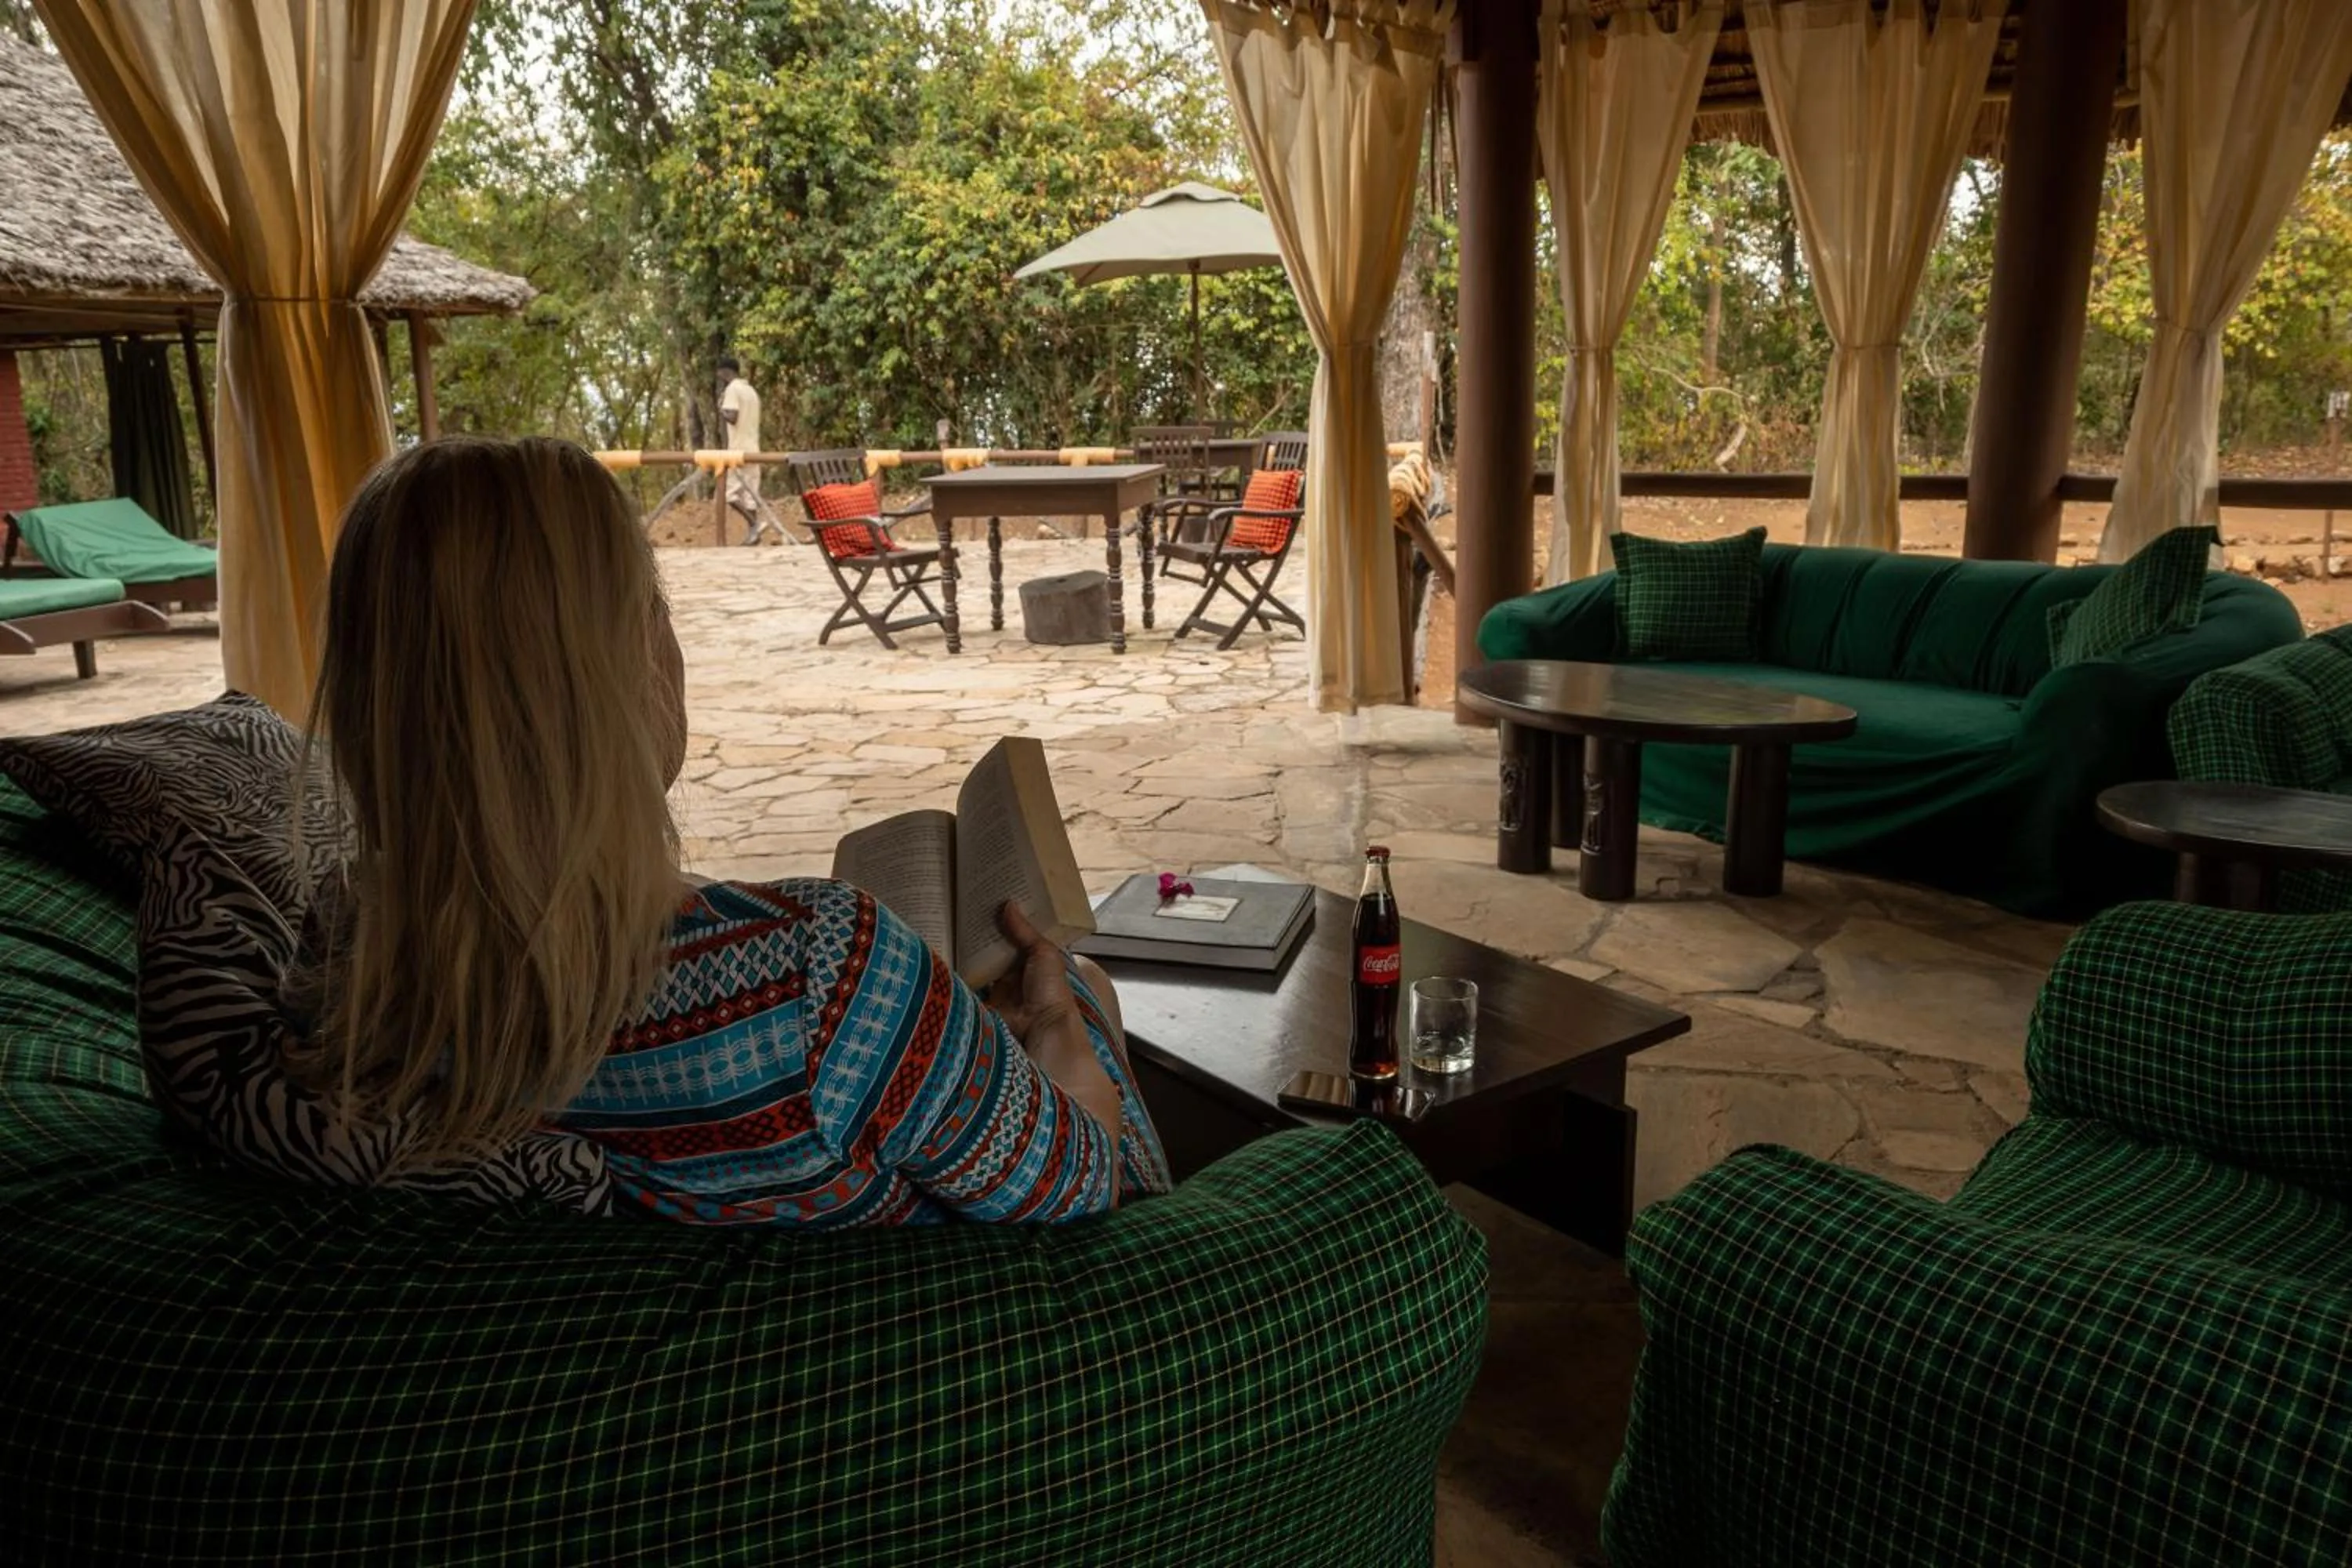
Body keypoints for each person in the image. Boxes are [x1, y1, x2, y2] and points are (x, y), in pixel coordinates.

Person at [292, 436, 1167, 1223]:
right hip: (993, 1332)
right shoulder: (818, 971)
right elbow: (1083, 1180)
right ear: (626, 664)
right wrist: (1056, 1029)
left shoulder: (348, 966)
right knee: (1081, 977)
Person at [716, 354, 776, 545]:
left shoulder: (732, 390)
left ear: (725, 371)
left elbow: (732, 416)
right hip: (753, 448)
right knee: (750, 495)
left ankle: (754, 524)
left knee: (730, 495)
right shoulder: (751, 391)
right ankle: (754, 534)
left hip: (738, 450)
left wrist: (721, 409)